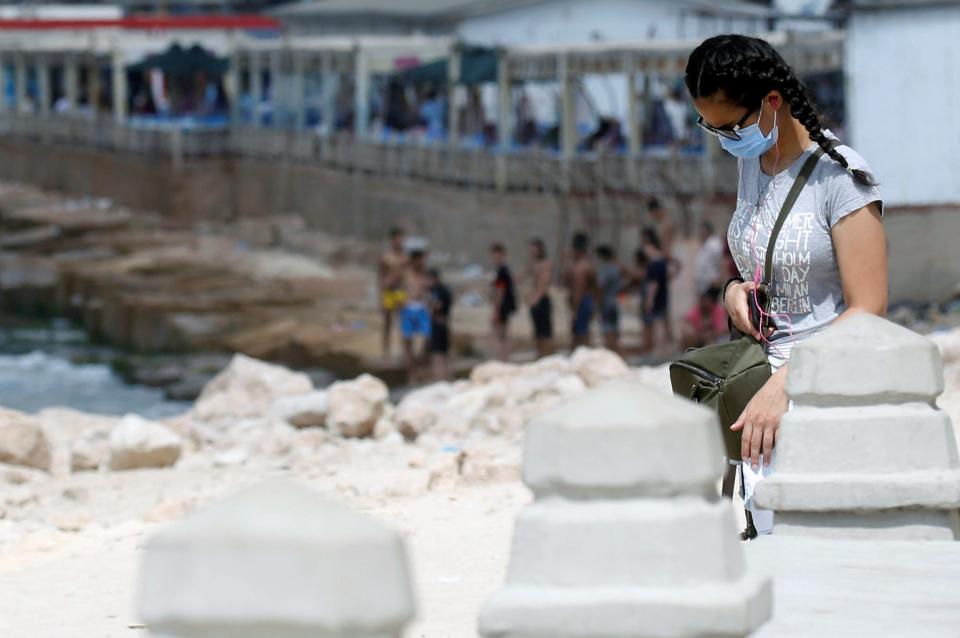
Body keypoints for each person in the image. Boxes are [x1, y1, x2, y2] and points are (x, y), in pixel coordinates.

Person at [686, 34, 886, 534]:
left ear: (772, 102)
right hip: (758, 385)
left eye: (731, 126)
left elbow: (870, 308)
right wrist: (733, 293)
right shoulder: (750, 160)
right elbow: (758, 262)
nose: (726, 139)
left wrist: (787, 383)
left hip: (819, 389)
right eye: (711, 128)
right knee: (763, 543)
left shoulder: (842, 178)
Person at [400, 250, 432, 383]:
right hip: (408, 307)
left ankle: (420, 365)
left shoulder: (425, 274)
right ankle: (411, 375)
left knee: (427, 339)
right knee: (408, 343)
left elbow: (430, 289)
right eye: (419, 259)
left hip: (421, 308)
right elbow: (396, 287)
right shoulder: (405, 274)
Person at [378, 227, 408, 362]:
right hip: (389, 292)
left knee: (403, 323)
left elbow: (408, 276)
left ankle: (404, 353)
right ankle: (386, 354)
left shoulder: (405, 258)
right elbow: (380, 277)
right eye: (396, 238)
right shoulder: (386, 257)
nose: (399, 241)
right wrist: (381, 295)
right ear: (392, 240)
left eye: (401, 238)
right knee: (387, 323)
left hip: (400, 291)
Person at [641, 227, 672, 355]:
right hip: (663, 296)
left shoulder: (655, 263)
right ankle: (664, 349)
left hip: (657, 298)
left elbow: (654, 284)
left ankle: (659, 349)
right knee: (664, 323)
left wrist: (649, 300)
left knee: (657, 324)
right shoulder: (662, 262)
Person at [566, 232, 597, 348]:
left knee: (580, 334)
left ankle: (582, 356)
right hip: (585, 301)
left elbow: (578, 289)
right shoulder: (586, 265)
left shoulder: (581, 267)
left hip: (581, 302)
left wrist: (575, 309)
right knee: (581, 332)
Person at [526, 238, 554, 357]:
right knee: (537, 333)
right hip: (535, 300)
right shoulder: (534, 264)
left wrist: (536, 297)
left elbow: (544, 282)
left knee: (545, 333)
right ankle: (540, 355)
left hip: (542, 300)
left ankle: (546, 355)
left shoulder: (545, 264)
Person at [490, 243, 517, 361]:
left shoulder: (502, 270)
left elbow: (500, 290)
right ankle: (504, 358)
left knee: (500, 335)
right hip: (504, 306)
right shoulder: (503, 270)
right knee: (504, 334)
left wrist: (496, 310)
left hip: (502, 306)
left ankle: (503, 359)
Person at [595, 245, 623, 353]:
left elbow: (601, 286)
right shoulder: (616, 268)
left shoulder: (606, 269)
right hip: (615, 301)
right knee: (614, 330)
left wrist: (599, 302)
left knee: (607, 330)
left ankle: (613, 352)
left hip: (607, 302)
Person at [427, 268, 453, 381]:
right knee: (441, 352)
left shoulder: (440, 291)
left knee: (438, 353)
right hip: (439, 322)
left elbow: (439, 305)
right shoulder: (436, 290)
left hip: (439, 322)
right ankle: (443, 377)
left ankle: (441, 377)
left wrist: (430, 304)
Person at [694, 220, 726, 294]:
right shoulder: (705, 244)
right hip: (704, 285)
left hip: (712, 284)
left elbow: (721, 261)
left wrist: (719, 279)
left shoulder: (714, 244)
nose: (700, 233)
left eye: (702, 231)